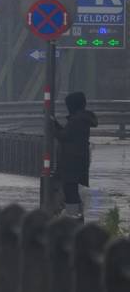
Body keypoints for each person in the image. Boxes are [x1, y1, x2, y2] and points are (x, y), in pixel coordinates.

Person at [53, 91, 97, 219]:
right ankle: (76, 217)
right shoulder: (82, 119)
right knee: (75, 191)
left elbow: (64, 136)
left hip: (72, 163)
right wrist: (56, 124)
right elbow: (68, 134)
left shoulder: (76, 120)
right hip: (79, 161)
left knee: (71, 192)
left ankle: (74, 218)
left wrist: (52, 126)